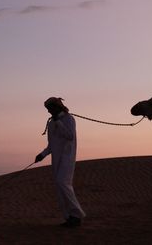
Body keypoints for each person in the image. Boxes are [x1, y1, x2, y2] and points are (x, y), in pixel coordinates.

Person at [35, 97, 86, 227]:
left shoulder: (69, 119)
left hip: (67, 157)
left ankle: (77, 214)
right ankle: (69, 217)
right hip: (56, 159)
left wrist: (58, 122)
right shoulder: (51, 123)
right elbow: (51, 146)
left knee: (63, 183)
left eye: (50, 108)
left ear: (57, 107)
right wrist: (42, 155)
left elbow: (70, 136)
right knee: (59, 187)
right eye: (47, 109)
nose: (48, 112)